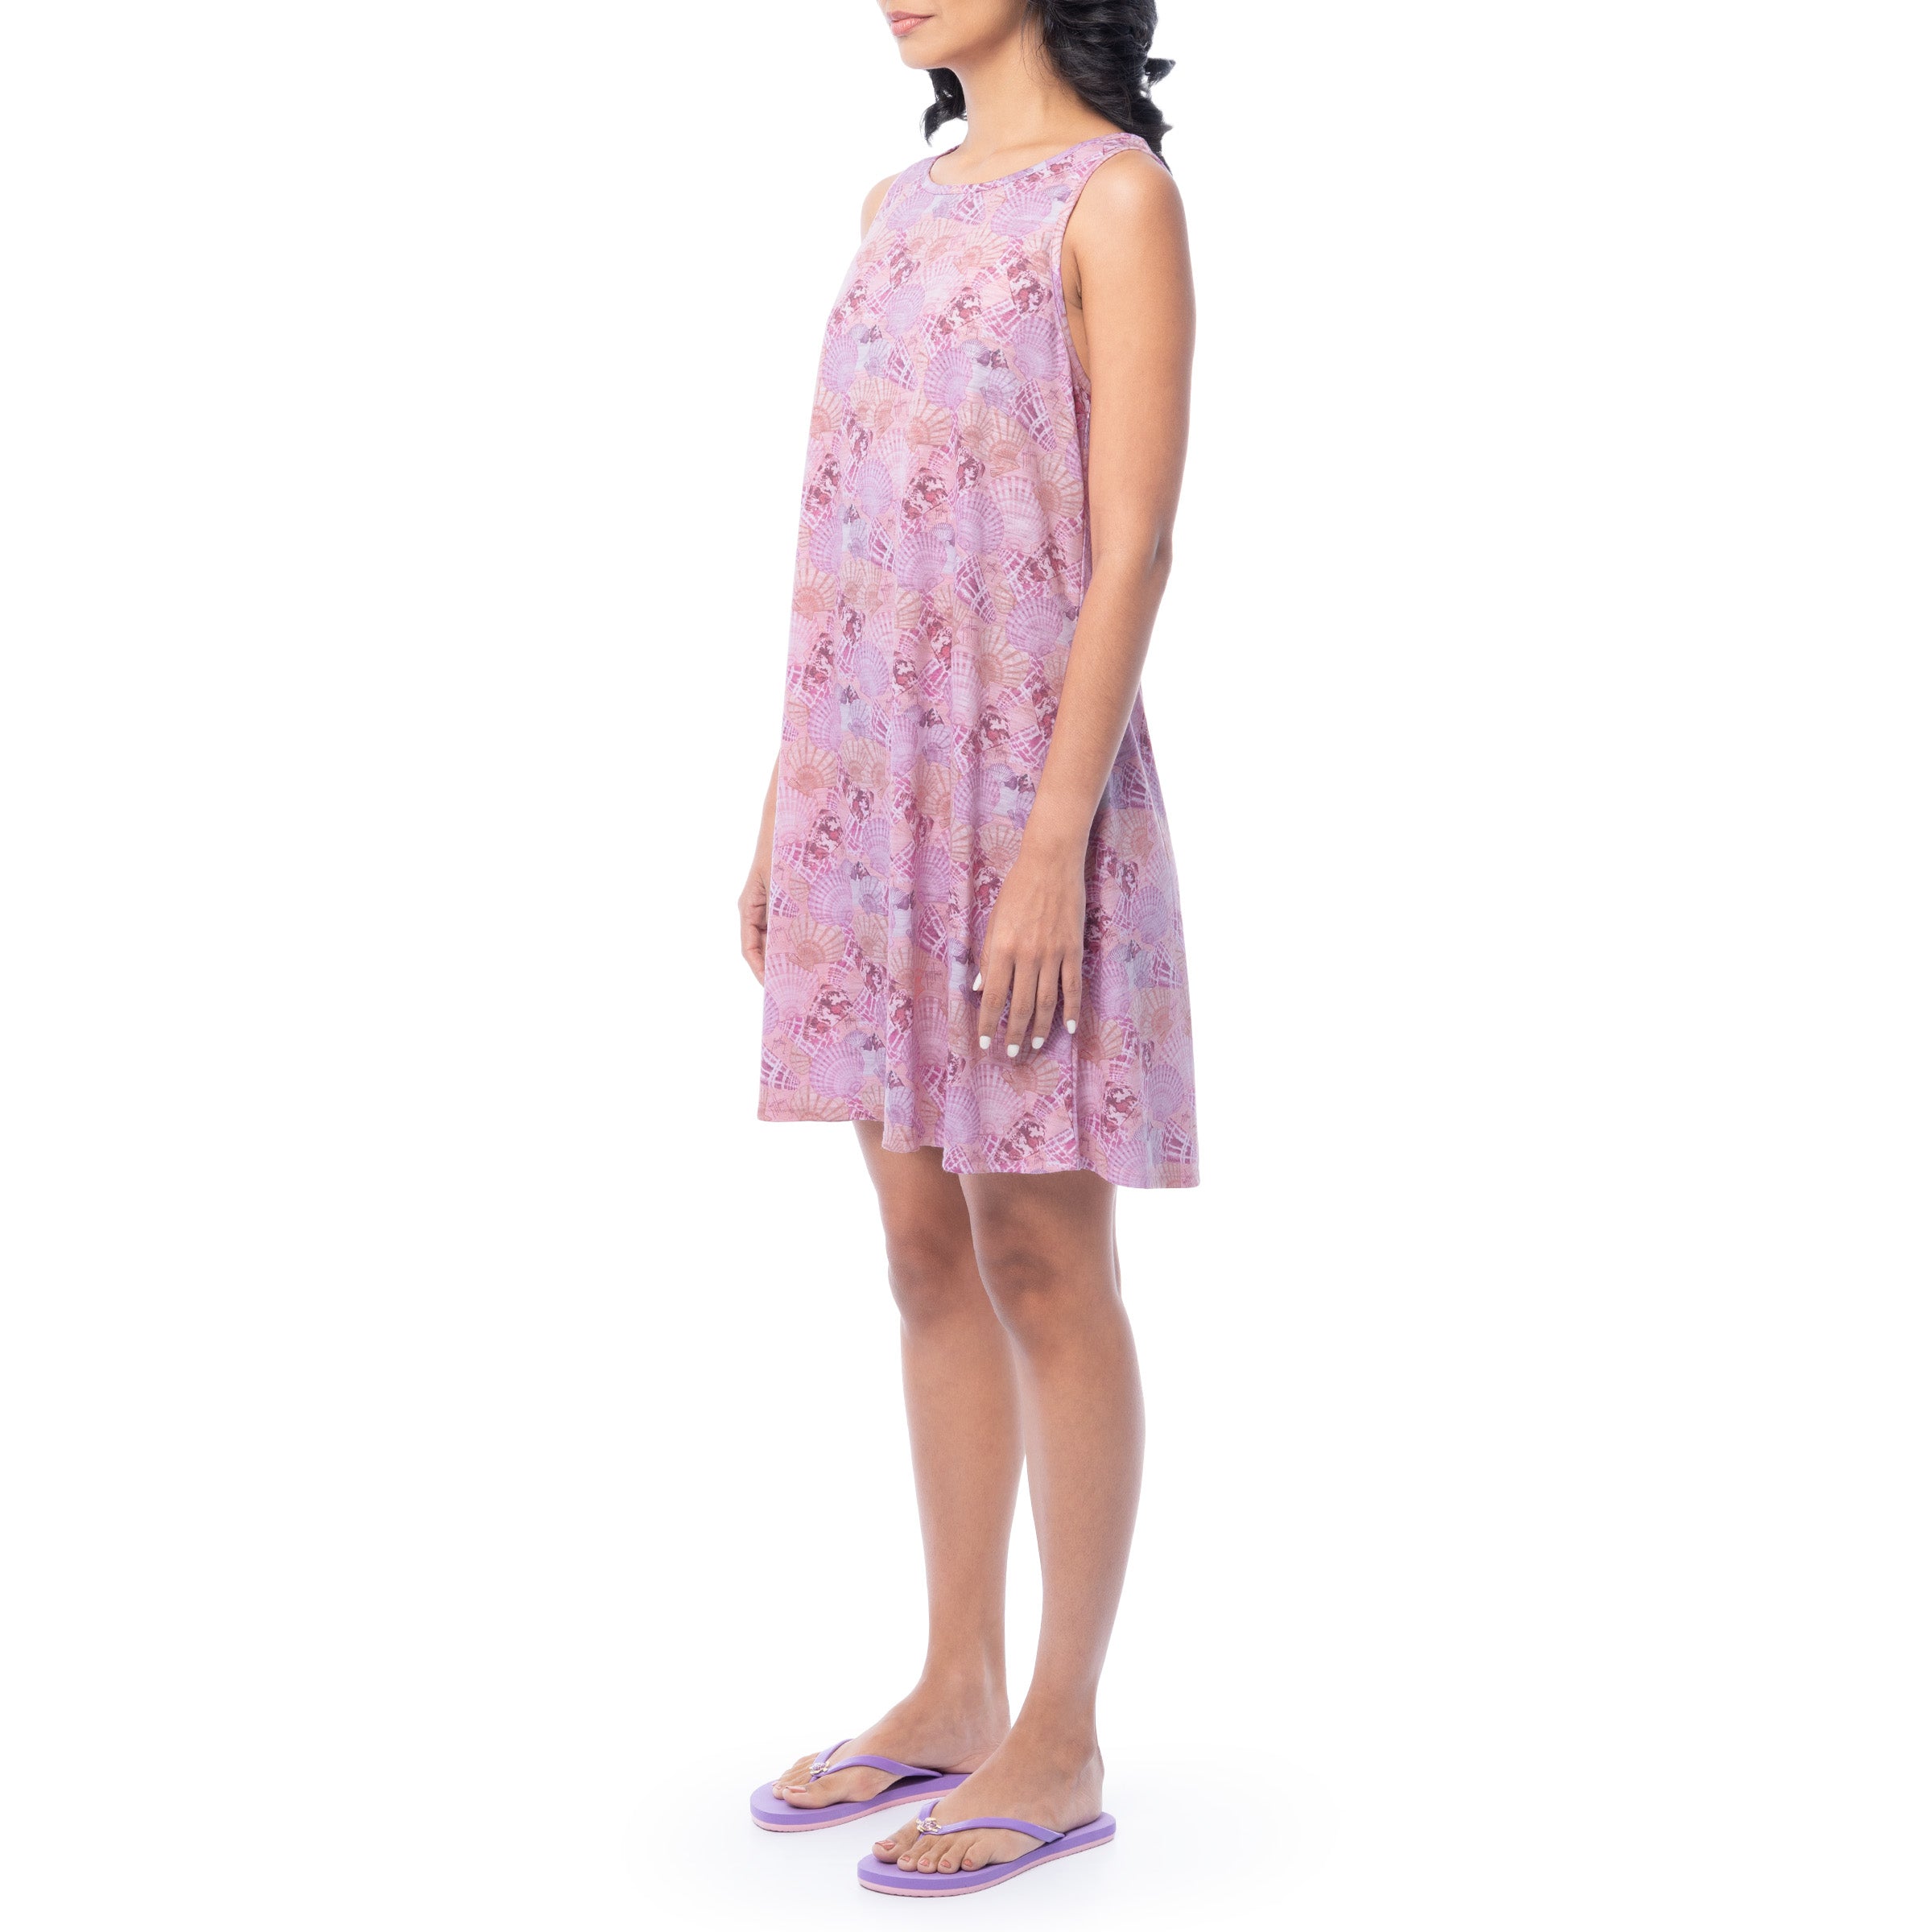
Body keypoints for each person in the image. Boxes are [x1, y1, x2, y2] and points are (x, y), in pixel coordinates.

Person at [738, 0, 1197, 1897]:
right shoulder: (892, 208)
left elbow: (1132, 546)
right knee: (923, 1245)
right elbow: (846, 527)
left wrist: (1051, 849)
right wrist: (786, 797)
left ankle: (1061, 1732)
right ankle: (953, 1682)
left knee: (1041, 1251)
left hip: (1024, 790)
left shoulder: (1116, 198)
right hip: (870, 786)